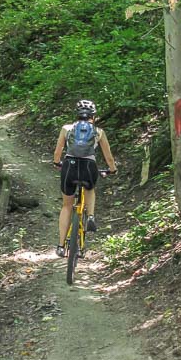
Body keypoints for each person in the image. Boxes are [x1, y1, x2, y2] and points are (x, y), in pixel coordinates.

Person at [52, 99, 117, 257]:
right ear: (93, 116)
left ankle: (61, 246)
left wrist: (57, 162)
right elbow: (108, 157)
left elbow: (57, 152)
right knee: (90, 188)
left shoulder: (66, 128)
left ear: (77, 115)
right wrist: (112, 169)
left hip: (69, 166)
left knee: (67, 206)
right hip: (89, 167)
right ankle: (91, 216)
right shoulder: (99, 132)